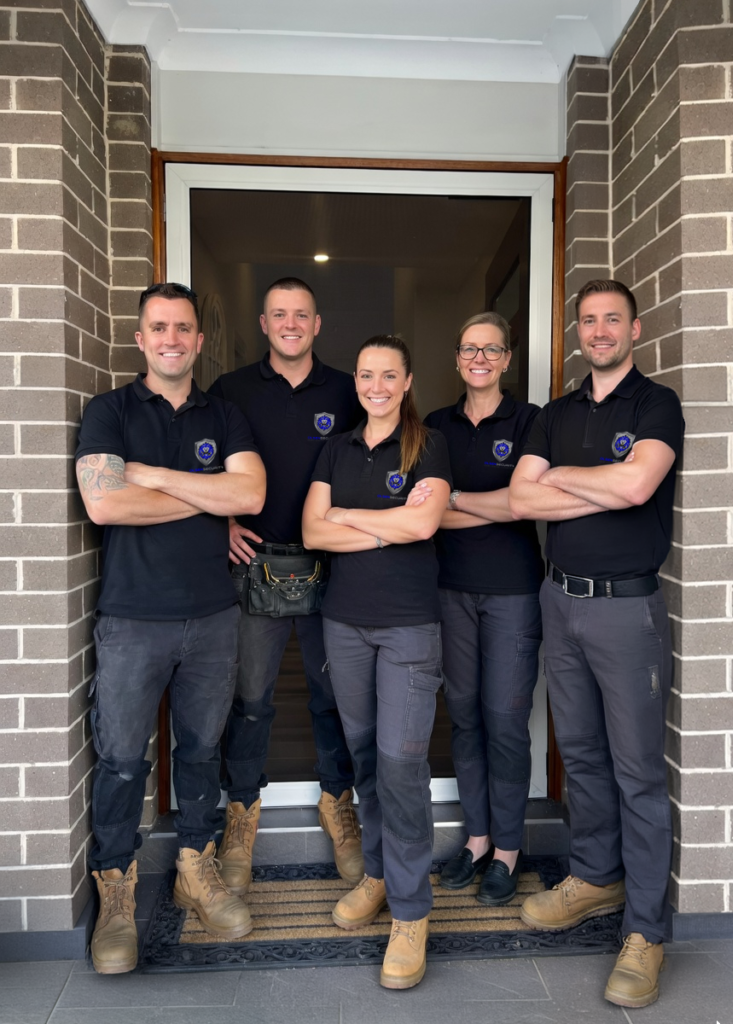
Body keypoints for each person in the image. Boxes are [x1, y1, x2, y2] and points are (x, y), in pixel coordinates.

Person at [76, 282, 267, 974]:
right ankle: (117, 896)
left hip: (214, 617)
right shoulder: (111, 412)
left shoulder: (226, 413)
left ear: (199, 339)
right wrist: (203, 498)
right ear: (140, 339)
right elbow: (104, 504)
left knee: (199, 751)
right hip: (132, 619)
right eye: (159, 328)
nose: (172, 339)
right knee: (123, 760)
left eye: (184, 328)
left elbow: (249, 493)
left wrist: (153, 478)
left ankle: (195, 871)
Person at [509, 280, 684, 1009]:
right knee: (579, 753)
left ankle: (645, 932)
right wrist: (601, 484)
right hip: (562, 600)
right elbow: (522, 499)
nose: (601, 330)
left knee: (637, 771)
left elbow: (641, 486)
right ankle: (595, 876)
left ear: (634, 329)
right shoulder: (554, 414)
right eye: (590, 321)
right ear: (577, 332)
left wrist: (570, 481)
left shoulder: (656, 405)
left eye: (613, 319)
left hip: (625, 609)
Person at [302, 335, 452, 990]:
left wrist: (349, 516)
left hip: (408, 630)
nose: (377, 385)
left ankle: (412, 911)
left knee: (401, 764)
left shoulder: (430, 445)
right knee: (365, 757)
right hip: (345, 626)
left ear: (407, 379)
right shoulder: (336, 446)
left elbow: (423, 527)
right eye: (367, 374)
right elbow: (312, 532)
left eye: (389, 374)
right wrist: (386, 517)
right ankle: (379, 875)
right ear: (357, 381)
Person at [208, 279, 363, 893]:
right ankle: (241, 819)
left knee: (335, 699)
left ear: (318, 325)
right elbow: (201, 469)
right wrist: (220, 522)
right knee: (250, 700)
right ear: (264, 323)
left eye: (302, 314)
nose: (291, 323)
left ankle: (338, 805)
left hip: (332, 567)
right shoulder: (231, 391)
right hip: (256, 566)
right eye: (279, 314)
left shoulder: (350, 391)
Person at [423, 312, 543, 905]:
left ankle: (509, 850)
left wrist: (459, 498)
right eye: (469, 348)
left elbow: (526, 504)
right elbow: (425, 513)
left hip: (513, 592)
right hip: (449, 589)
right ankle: (476, 840)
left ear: (507, 359)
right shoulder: (435, 428)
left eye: (491, 349)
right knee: (465, 717)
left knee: (504, 721)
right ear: (456, 358)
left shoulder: (529, 422)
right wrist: (487, 504)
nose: (479, 358)